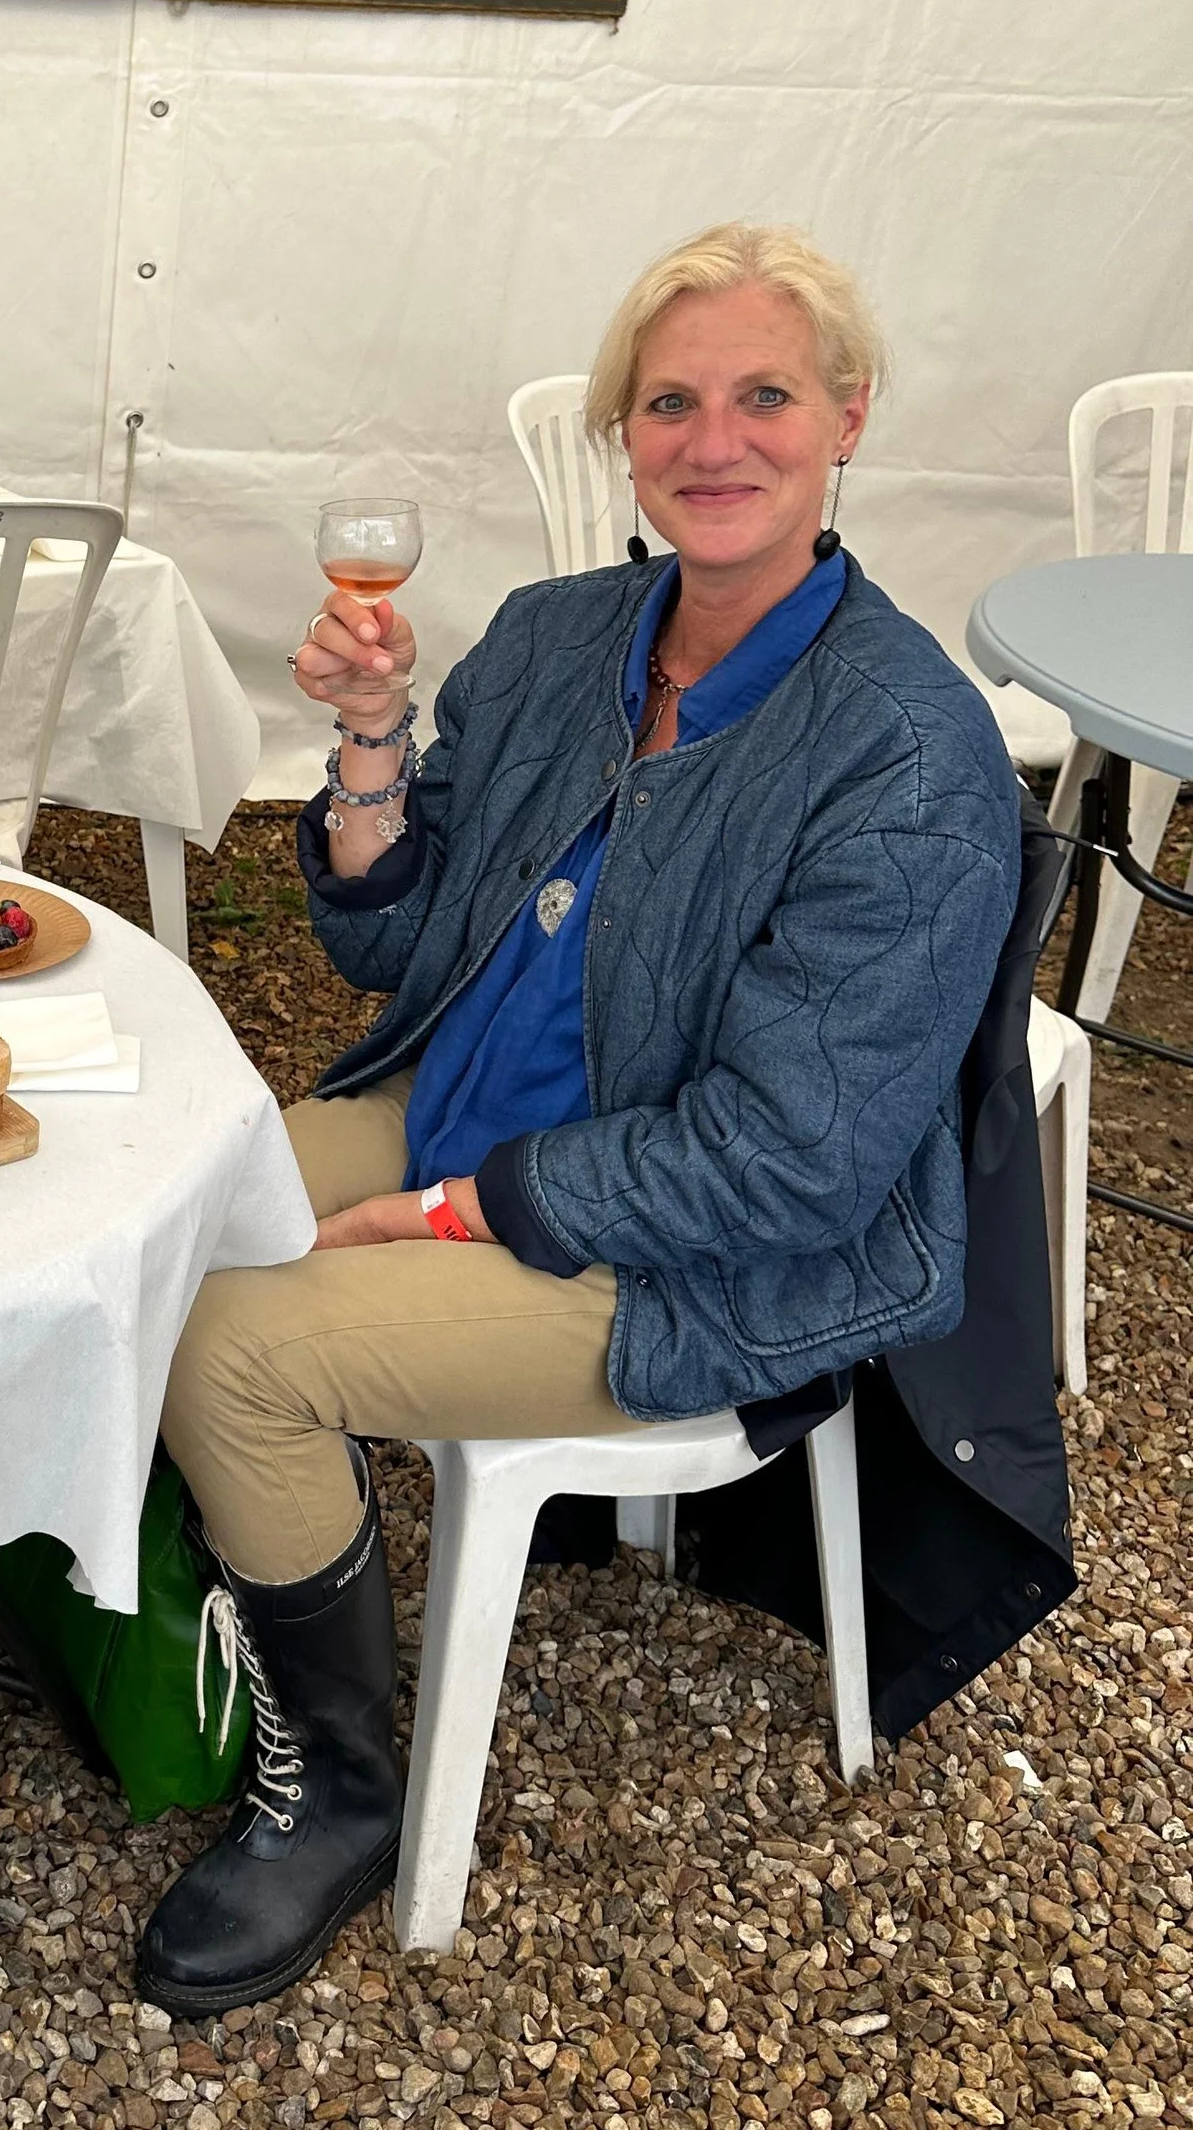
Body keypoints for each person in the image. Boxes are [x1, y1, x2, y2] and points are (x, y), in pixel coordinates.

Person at [137, 224, 1021, 2017]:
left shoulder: (908, 754)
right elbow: (384, 935)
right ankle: (192, 1587)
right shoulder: (559, 636)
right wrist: (374, 748)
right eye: (671, 400)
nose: (716, 438)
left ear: (850, 416)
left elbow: (797, 1155)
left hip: (703, 1246)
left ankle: (344, 1789)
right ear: (625, 434)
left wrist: (464, 1211)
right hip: (453, 1099)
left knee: (233, 1348)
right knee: (140, 1213)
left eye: (765, 394)